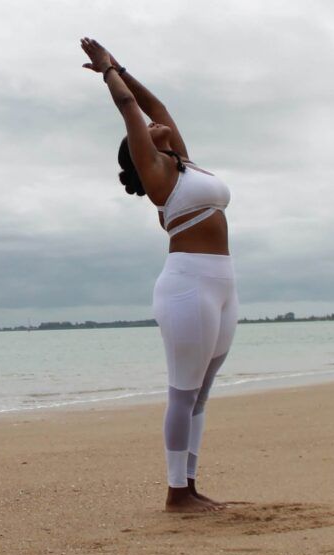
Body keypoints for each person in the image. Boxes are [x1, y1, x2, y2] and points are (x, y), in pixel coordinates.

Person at [80, 37, 237, 513]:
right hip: (187, 286)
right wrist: (108, 73)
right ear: (141, 150)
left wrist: (124, 66)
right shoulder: (158, 176)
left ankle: (190, 485)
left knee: (202, 396)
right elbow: (130, 107)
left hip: (223, 284)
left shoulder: (183, 164)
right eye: (145, 130)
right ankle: (175, 494)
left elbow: (154, 104)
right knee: (183, 391)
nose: (154, 124)